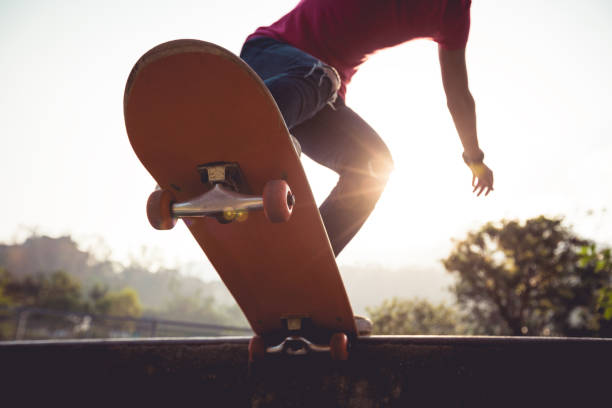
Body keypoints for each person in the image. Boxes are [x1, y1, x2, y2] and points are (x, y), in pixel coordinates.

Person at [240, 0, 494, 258]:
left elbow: (459, 97)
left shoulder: (453, 13)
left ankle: (303, 259)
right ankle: (248, 136)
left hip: (318, 97)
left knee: (373, 166)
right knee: (324, 77)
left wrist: (475, 159)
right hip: (271, 55)